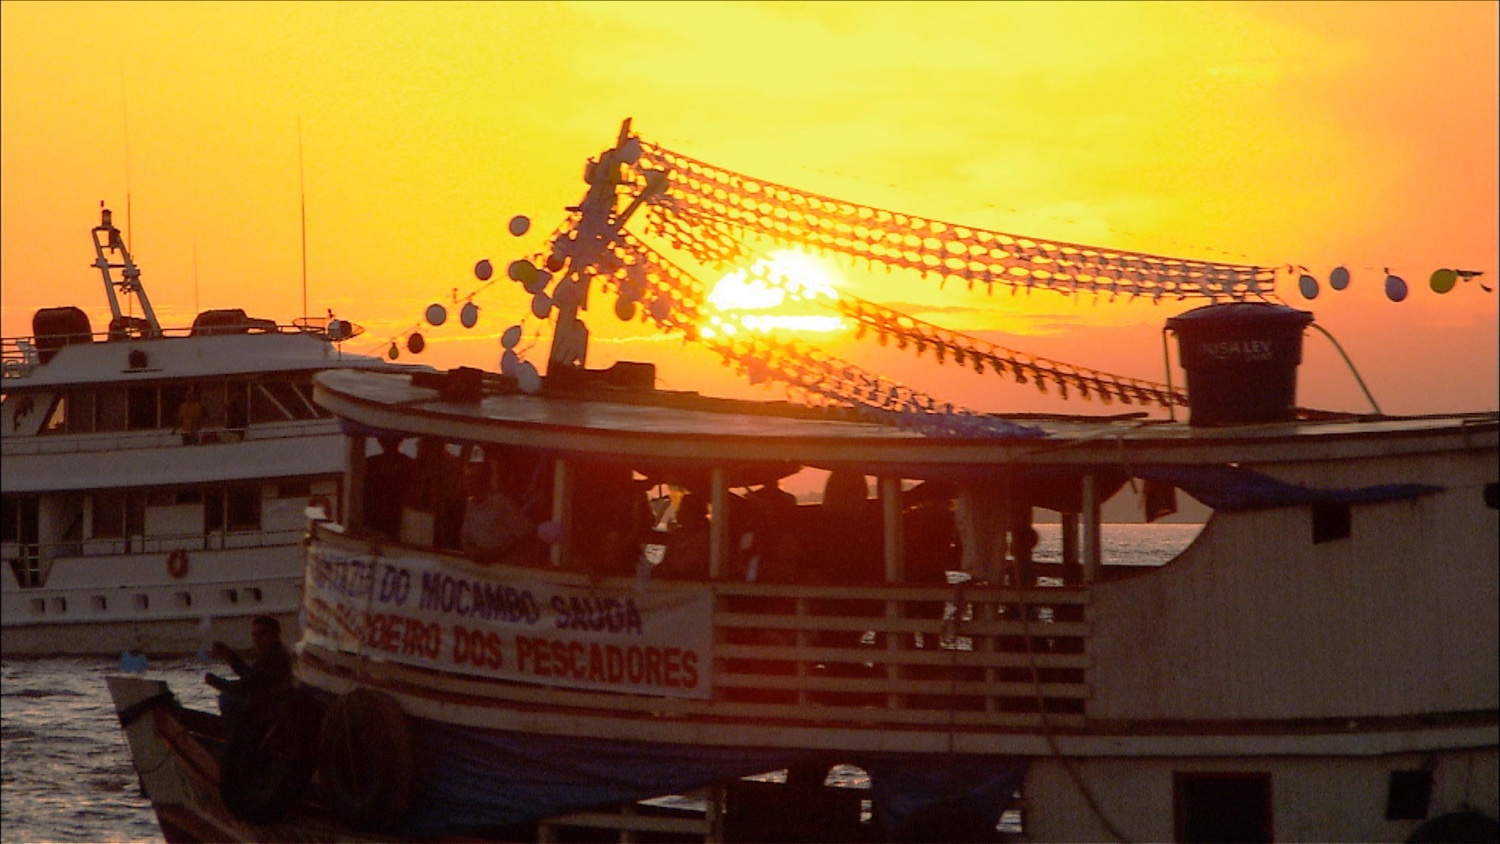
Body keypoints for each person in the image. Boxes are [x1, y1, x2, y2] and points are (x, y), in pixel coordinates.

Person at [204, 615, 293, 727]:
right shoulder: (272, 655)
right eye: (254, 635)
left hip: (269, 714)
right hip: (269, 710)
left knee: (228, 701)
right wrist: (230, 656)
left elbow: (247, 685)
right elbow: (251, 677)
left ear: (275, 636)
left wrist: (217, 682)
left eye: (263, 634)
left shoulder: (275, 658)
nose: (257, 639)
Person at [460, 455, 536, 563]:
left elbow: (526, 532)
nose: (468, 483)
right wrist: (474, 552)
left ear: (484, 480)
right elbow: (465, 539)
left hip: (505, 570)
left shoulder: (501, 503)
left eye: (473, 478)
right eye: (466, 478)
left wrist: (499, 552)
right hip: (481, 573)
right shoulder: (470, 505)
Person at [363, 435, 414, 538]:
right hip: (403, 520)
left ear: (380, 441)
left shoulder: (369, 463)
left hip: (376, 521)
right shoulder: (410, 464)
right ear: (401, 440)